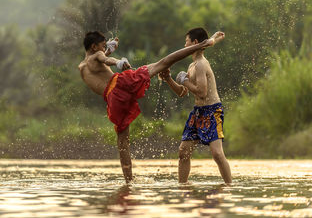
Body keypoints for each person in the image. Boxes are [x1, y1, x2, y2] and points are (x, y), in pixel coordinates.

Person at [78, 30, 224, 183]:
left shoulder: (83, 65)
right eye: (102, 46)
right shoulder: (97, 56)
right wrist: (117, 61)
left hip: (112, 98)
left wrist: (109, 52)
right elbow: (105, 59)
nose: (104, 49)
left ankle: (129, 181)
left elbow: (101, 59)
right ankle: (203, 44)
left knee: (122, 142)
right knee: (163, 62)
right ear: (94, 47)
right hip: (119, 84)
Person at [158, 27, 231, 184]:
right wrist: (169, 79)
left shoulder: (200, 65)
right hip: (198, 112)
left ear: (195, 43)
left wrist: (184, 80)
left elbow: (202, 92)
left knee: (217, 154)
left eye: (186, 42)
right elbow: (183, 92)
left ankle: (229, 187)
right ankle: (182, 186)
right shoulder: (192, 66)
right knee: (183, 151)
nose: (184, 46)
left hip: (212, 111)